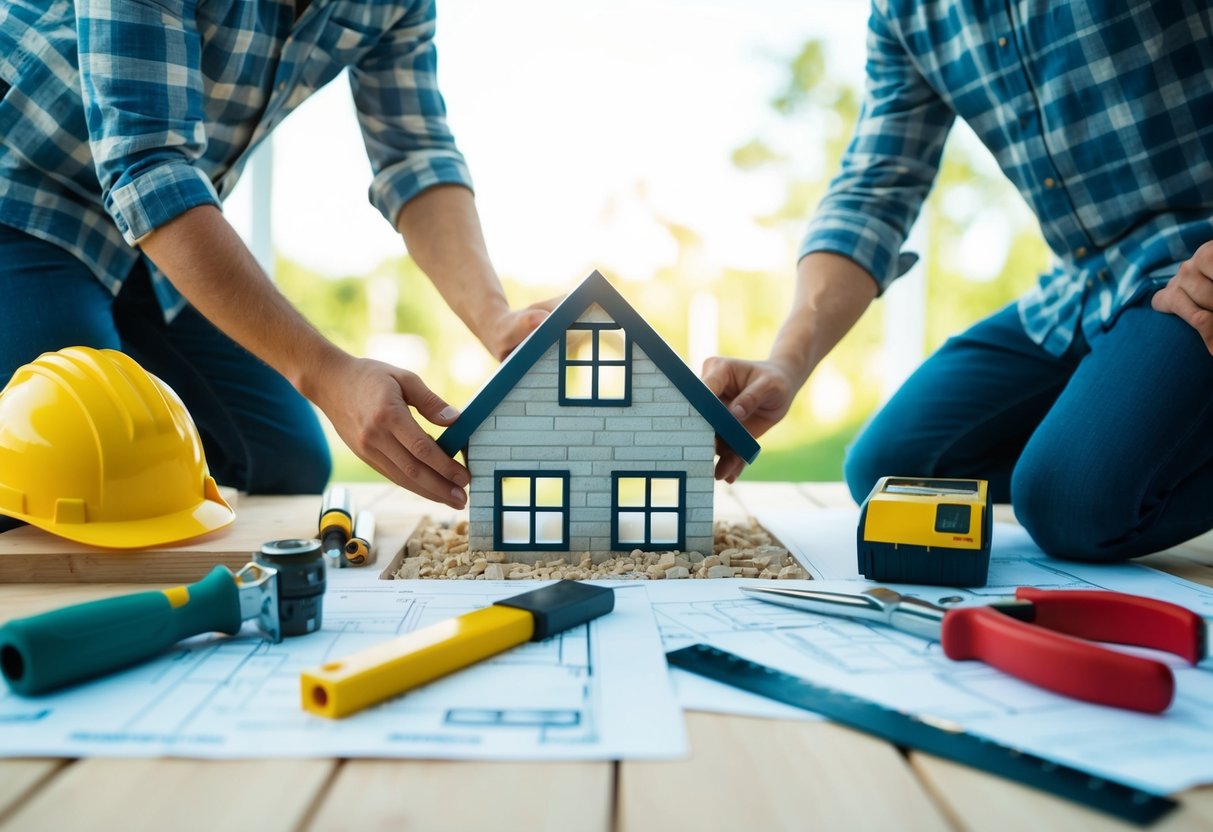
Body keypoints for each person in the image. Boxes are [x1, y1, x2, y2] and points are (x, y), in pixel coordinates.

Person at [704, 2, 1213, 562]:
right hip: (1081, 284)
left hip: (1192, 277)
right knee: (889, 471)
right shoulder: (905, 13)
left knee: (1070, 506)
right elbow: (873, 191)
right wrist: (786, 362)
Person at [0, 0, 548, 514]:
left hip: (152, 242)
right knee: (70, 462)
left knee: (288, 463)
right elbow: (147, 165)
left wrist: (496, 320)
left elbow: (415, 155)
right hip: (22, 195)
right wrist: (328, 373)